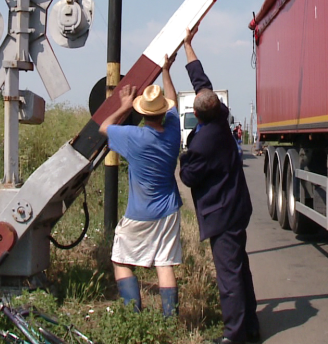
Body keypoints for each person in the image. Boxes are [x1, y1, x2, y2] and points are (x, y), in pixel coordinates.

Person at [178, 26, 260, 344]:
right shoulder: (220, 117)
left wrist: (183, 153)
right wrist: (188, 45)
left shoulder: (202, 144)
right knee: (240, 269)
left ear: (197, 115)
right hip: (237, 207)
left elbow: (187, 176)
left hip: (223, 214)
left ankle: (235, 336)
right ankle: (249, 327)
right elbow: (202, 81)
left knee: (228, 277)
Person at [99, 56, 182, 317]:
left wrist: (123, 105)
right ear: (162, 112)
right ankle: (170, 321)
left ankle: (134, 317)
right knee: (164, 263)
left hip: (139, 213)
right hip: (169, 210)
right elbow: (173, 103)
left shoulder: (133, 137)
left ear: (142, 113)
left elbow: (104, 127)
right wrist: (166, 72)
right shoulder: (172, 133)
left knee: (121, 261)